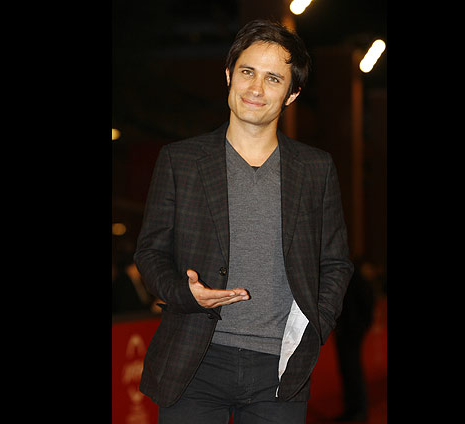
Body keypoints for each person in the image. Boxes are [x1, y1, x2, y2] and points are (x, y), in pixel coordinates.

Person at [133, 19, 354, 424]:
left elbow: (336, 263)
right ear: (229, 75)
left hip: (280, 371)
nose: (256, 88)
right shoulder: (181, 160)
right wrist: (184, 293)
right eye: (247, 71)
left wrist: (316, 325)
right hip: (193, 364)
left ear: (292, 94)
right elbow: (150, 252)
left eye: (273, 78)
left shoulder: (316, 169)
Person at [333, 259, 377, 422]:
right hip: (346, 329)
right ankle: (352, 409)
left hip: (351, 330)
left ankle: (358, 410)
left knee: (352, 370)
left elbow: (366, 300)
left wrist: (361, 326)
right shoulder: (347, 273)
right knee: (347, 370)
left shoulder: (352, 275)